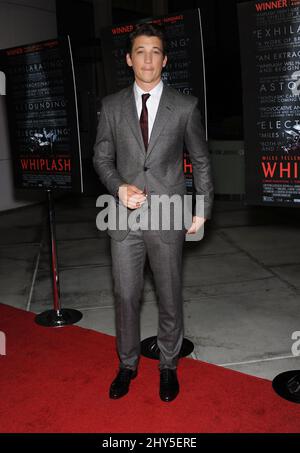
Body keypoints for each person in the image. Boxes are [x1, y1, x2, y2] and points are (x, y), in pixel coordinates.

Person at [93, 23, 213, 402]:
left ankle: (168, 365)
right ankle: (127, 364)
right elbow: (101, 157)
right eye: (140, 51)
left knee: (168, 294)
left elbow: (201, 160)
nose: (147, 58)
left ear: (165, 59)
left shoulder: (186, 106)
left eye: (155, 51)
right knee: (126, 295)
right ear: (129, 59)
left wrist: (203, 208)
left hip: (169, 214)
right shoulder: (111, 106)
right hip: (123, 218)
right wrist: (117, 186)